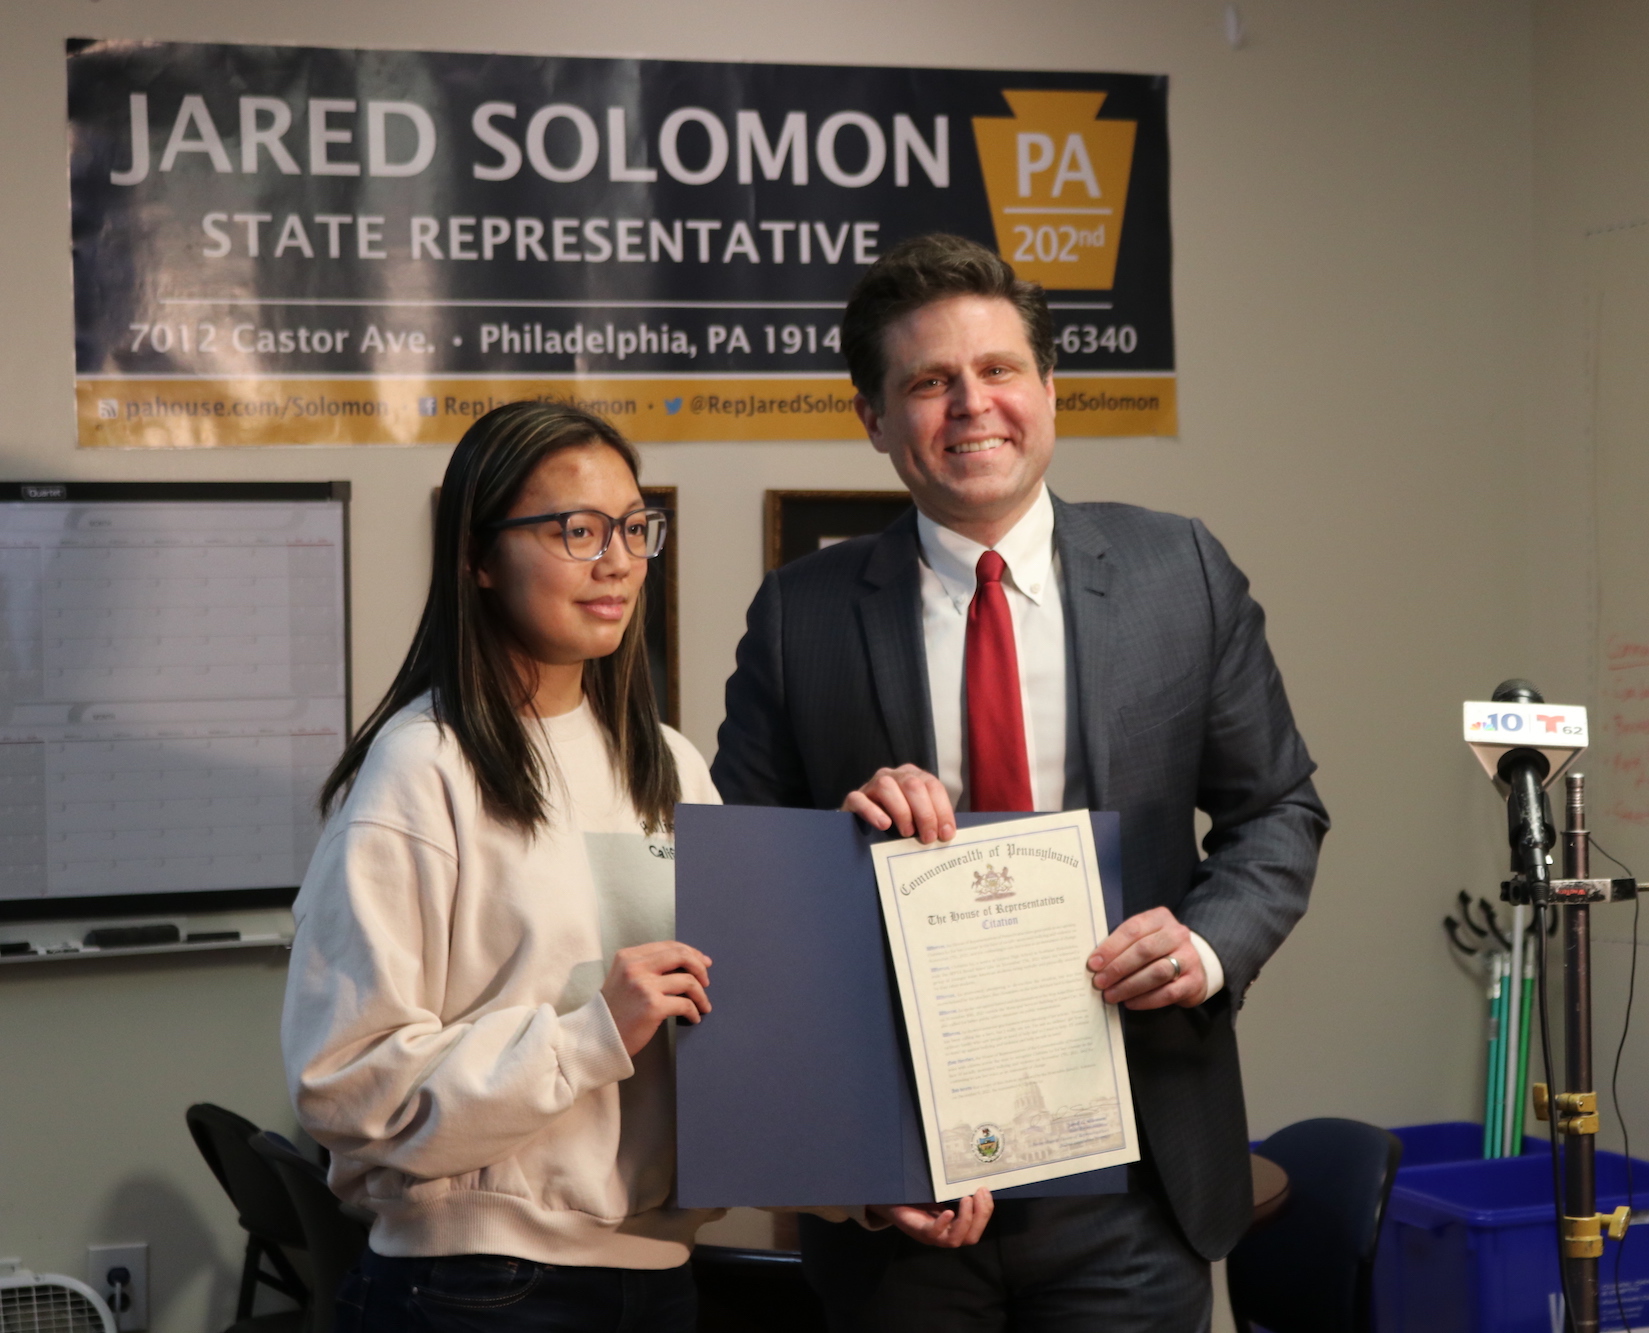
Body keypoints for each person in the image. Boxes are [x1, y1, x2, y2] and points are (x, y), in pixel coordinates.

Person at [713, 234, 1329, 1331]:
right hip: (906, 1193)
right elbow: (745, 905)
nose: (971, 406)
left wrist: (1203, 945)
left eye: (997, 370)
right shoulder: (800, 614)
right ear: (872, 418)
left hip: (1137, 1187)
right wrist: (841, 841)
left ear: (1049, 390)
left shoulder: (1177, 574)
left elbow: (1276, 808)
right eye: (927, 382)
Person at [282, 402, 722, 1332]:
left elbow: (738, 1032)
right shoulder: (423, 765)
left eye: (635, 527)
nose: (617, 560)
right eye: (577, 529)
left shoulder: (672, 763)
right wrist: (592, 1031)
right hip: (479, 1285)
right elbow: (344, 1080)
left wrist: (861, 1181)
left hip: (663, 1273)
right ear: (478, 558)